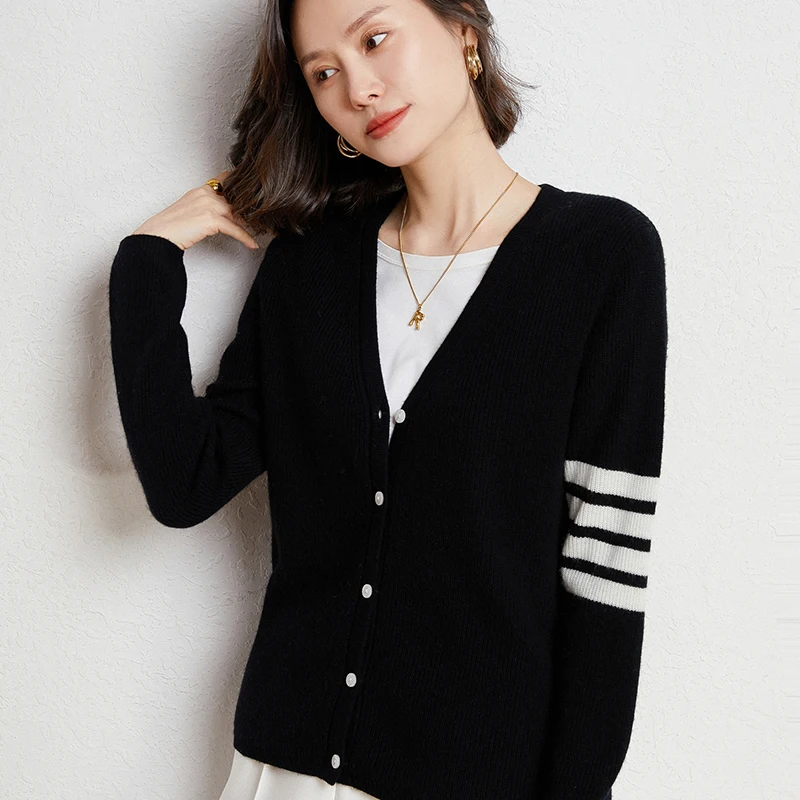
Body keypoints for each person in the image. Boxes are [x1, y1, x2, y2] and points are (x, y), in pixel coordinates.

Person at [108, 1, 667, 799]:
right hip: (287, 771)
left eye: (375, 40)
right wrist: (146, 266)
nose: (358, 88)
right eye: (323, 73)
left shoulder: (601, 255)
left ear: (463, 32)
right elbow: (184, 481)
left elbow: (605, 562)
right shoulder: (311, 265)